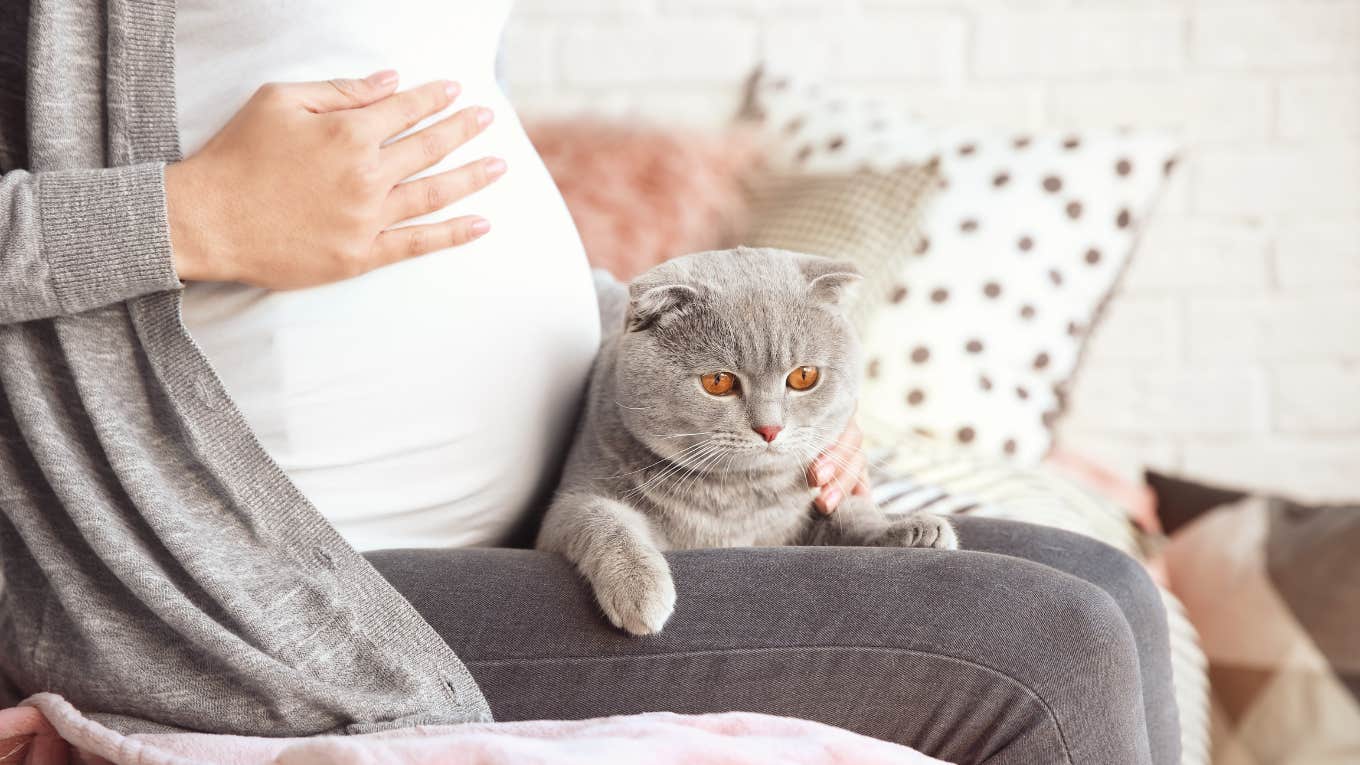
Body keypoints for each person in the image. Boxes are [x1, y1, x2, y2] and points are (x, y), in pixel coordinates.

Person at [0, 2, 1179, 763]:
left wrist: (724, 378)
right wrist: (187, 216)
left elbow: (448, 185)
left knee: (1106, 583)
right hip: (255, 585)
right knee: (1044, 646)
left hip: (538, 498)